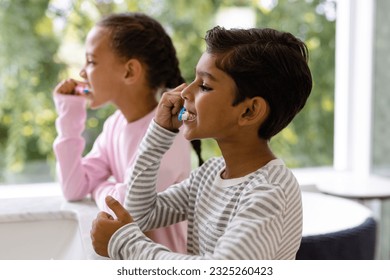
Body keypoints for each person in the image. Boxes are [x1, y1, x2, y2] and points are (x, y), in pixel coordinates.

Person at [90, 26, 313, 259]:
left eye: (205, 86)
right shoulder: (209, 175)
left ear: (249, 111)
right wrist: (158, 134)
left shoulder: (270, 193)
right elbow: (139, 213)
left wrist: (124, 243)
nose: (185, 92)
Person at [52, 12, 201, 253]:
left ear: (129, 72)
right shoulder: (115, 125)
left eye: (91, 61)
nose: (82, 73)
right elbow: (73, 187)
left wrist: (100, 187)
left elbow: (125, 210)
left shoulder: (168, 133)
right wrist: (69, 114)